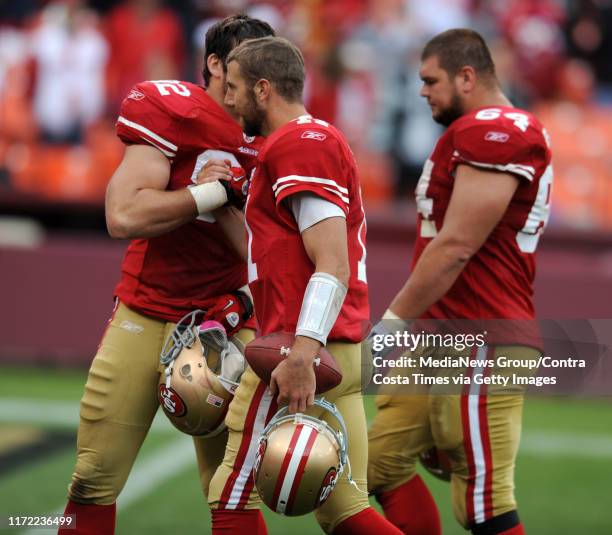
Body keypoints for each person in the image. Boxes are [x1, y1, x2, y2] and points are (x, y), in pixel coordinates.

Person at [58, 15, 275, 535]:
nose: (252, 83)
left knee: (234, 491)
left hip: (226, 321)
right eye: (241, 66)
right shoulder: (173, 109)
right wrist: (211, 193)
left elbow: (272, 256)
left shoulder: (278, 132)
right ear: (215, 64)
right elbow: (124, 216)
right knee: (93, 478)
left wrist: (241, 299)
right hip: (148, 311)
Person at [204, 35, 403, 535]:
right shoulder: (303, 141)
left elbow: (331, 264)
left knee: (231, 494)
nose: (227, 99)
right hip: (335, 347)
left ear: (263, 89)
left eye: (234, 88)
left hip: (306, 351)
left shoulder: (299, 143)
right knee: (344, 510)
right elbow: (281, 259)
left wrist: (301, 353)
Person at [367, 29, 553, 535]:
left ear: (467, 76)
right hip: (441, 333)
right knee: (372, 469)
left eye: (431, 80)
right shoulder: (475, 131)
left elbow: (455, 247)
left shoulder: (497, 129)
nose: (422, 91)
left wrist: (390, 325)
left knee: (484, 505)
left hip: (481, 336)